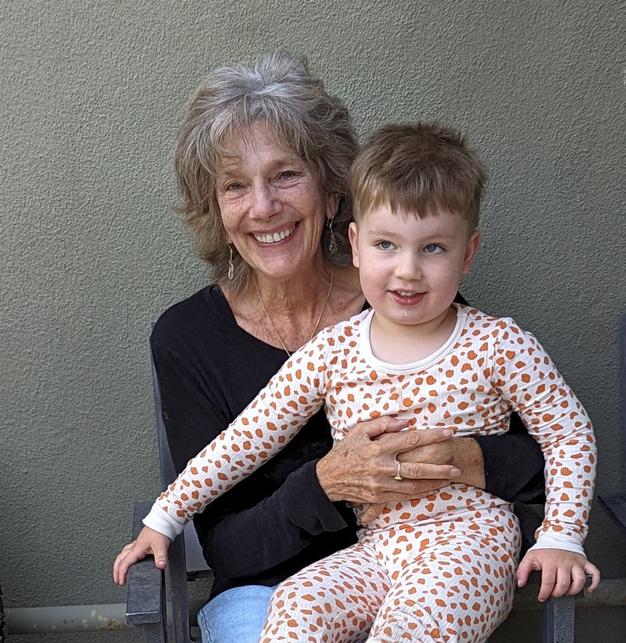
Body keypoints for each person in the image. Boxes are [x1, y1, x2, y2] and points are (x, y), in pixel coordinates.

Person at [113, 54, 548, 642]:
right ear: (215, 206)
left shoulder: (401, 296)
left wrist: (458, 457)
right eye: (236, 185)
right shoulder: (188, 339)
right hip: (268, 589)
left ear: (330, 186)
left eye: (285, 175)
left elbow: (538, 462)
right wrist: (325, 482)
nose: (263, 206)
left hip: (431, 565)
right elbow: (228, 548)